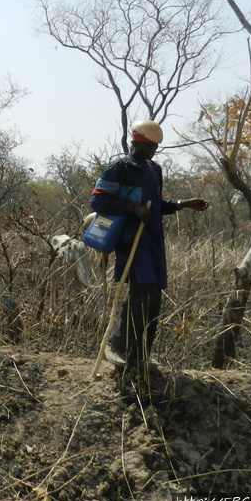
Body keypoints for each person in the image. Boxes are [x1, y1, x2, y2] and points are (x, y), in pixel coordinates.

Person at [90, 119, 209, 372]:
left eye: (155, 148)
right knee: (141, 294)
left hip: (153, 242)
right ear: (135, 143)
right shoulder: (119, 168)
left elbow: (155, 206)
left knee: (153, 298)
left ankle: (139, 355)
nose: (152, 152)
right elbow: (98, 202)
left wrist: (182, 204)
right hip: (131, 241)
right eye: (149, 147)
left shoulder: (154, 169)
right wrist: (133, 209)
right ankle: (117, 347)